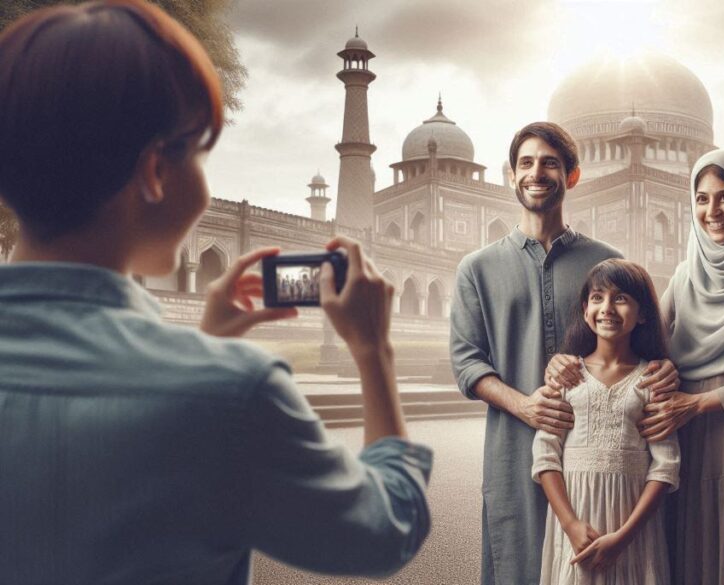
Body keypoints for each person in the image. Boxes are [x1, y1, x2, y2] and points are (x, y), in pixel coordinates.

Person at [0, 2, 431, 584]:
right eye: (202, 153)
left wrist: (206, 342)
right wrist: (373, 352)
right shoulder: (229, 394)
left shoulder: (213, 388)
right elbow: (386, 531)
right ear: (155, 171)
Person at [546, 148, 724, 584]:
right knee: (689, 562)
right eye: (702, 199)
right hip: (684, 443)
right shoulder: (687, 276)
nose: (713, 211)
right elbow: (639, 341)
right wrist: (565, 360)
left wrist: (696, 404)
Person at [450, 121, 679, 584]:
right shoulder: (477, 269)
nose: (537, 173)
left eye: (550, 163)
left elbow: (645, 337)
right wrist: (526, 406)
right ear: (509, 176)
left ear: (571, 176)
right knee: (518, 565)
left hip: (602, 466)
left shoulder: (606, 263)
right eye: (527, 163)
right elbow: (467, 362)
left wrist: (664, 370)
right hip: (515, 451)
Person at [532, 259, 680, 585]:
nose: (607, 308)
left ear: (642, 314)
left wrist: (625, 537)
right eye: (597, 298)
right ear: (585, 309)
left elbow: (665, 466)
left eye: (621, 298)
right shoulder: (567, 376)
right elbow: (545, 455)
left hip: (632, 529)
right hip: (574, 522)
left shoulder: (653, 381)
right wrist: (570, 524)